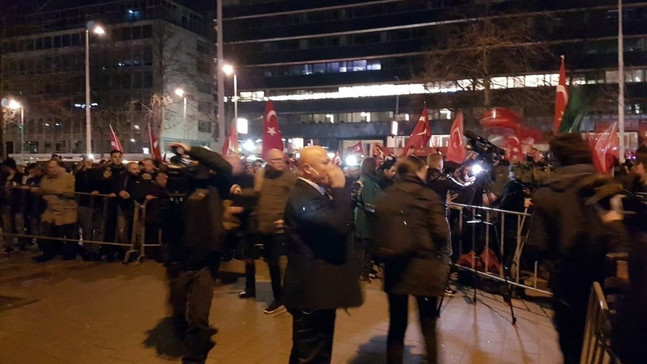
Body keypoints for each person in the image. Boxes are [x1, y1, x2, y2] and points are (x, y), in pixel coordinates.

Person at [528, 133, 628, 364]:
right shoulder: (606, 185)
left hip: (567, 281)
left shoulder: (547, 194)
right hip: (604, 280)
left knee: (571, 346)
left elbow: (536, 245)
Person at [283, 145, 363, 363]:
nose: (333, 167)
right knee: (312, 353)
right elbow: (340, 225)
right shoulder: (302, 195)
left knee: (309, 351)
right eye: (326, 163)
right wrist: (339, 188)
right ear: (308, 169)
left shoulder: (313, 193)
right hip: (311, 292)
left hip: (318, 291)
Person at [374, 156, 450, 364]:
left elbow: (377, 231)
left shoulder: (386, 196)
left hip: (395, 269)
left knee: (397, 325)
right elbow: (442, 233)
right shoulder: (428, 196)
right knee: (428, 324)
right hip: (424, 270)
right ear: (418, 172)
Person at [165, 142, 232, 364]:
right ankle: (181, 331)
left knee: (199, 314)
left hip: (206, 260)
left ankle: (194, 357)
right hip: (180, 260)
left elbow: (223, 166)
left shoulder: (216, 185)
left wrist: (191, 149)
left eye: (199, 164)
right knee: (178, 307)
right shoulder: (176, 190)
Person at [240, 149, 296, 314]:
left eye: (281, 159)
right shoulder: (262, 175)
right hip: (265, 228)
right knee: (272, 265)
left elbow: (299, 198)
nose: (279, 162)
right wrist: (240, 192)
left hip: (281, 229)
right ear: (268, 161)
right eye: (275, 160)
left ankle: (285, 298)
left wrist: (287, 220)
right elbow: (258, 195)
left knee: (283, 264)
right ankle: (279, 297)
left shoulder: (289, 177)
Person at [33, 159, 80, 262]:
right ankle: (48, 252)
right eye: (49, 168)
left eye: (54, 167)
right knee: (46, 231)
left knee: (69, 233)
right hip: (51, 209)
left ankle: (69, 253)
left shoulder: (68, 177)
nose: (52, 170)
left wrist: (56, 192)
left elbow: (71, 192)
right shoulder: (45, 179)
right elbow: (42, 190)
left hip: (67, 209)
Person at [354, 157, 381, 282]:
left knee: (365, 246)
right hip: (366, 218)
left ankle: (365, 271)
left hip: (365, 216)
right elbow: (369, 203)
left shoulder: (366, 180)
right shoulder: (367, 182)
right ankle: (363, 273)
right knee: (365, 247)